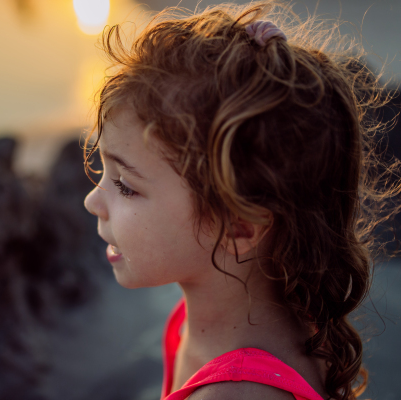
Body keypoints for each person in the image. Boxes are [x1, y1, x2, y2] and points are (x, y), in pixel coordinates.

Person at [82, 2, 400, 400]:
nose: (92, 201)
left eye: (126, 185)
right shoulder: (210, 319)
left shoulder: (239, 393)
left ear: (239, 227)